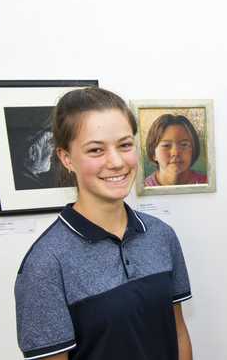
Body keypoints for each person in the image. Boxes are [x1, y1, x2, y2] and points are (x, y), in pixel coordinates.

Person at [14, 87, 193, 360]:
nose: (117, 162)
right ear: (66, 158)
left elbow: (178, 330)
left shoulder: (161, 235)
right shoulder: (46, 264)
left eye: (124, 145)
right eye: (96, 149)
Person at [144, 113, 207, 186]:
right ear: (153, 154)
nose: (176, 152)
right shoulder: (145, 187)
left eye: (184, 145)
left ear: (194, 149)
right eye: (166, 145)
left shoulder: (206, 183)